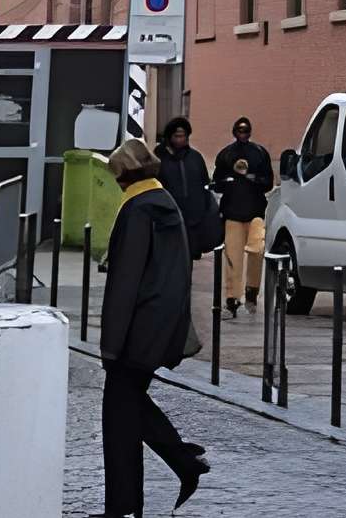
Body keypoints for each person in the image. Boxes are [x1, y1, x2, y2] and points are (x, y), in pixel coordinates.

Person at [93, 137, 209, 518]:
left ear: (125, 177)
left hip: (138, 327)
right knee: (127, 407)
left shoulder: (138, 211)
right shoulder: (164, 203)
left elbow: (125, 283)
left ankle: (133, 499)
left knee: (119, 410)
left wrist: (110, 346)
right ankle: (177, 464)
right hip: (161, 323)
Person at [212, 116, 272, 315]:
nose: (243, 134)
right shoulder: (225, 155)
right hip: (233, 214)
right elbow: (217, 182)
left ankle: (252, 291)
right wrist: (230, 180)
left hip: (255, 213)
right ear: (234, 132)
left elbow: (269, 183)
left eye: (246, 131)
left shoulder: (260, 153)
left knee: (257, 251)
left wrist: (253, 179)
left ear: (250, 132)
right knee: (232, 257)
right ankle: (232, 297)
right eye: (240, 131)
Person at [155, 118, 217, 261]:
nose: (180, 139)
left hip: (193, 222)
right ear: (169, 137)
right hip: (167, 221)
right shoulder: (158, 158)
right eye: (177, 136)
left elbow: (204, 185)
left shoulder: (195, 158)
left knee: (187, 259)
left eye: (183, 136)